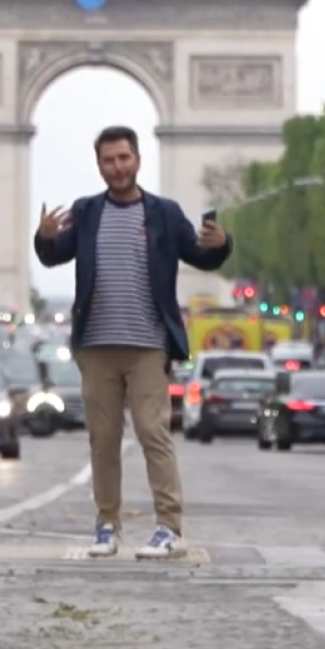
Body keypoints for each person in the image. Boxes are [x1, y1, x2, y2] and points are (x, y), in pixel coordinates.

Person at [33, 125, 232, 560]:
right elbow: (55, 254)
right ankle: (107, 524)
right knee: (102, 439)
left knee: (152, 433)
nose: (117, 167)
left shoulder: (164, 213)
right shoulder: (85, 212)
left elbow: (198, 254)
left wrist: (221, 246)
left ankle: (169, 527)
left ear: (137, 160)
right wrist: (44, 236)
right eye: (109, 160)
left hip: (148, 345)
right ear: (99, 164)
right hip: (96, 347)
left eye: (124, 158)